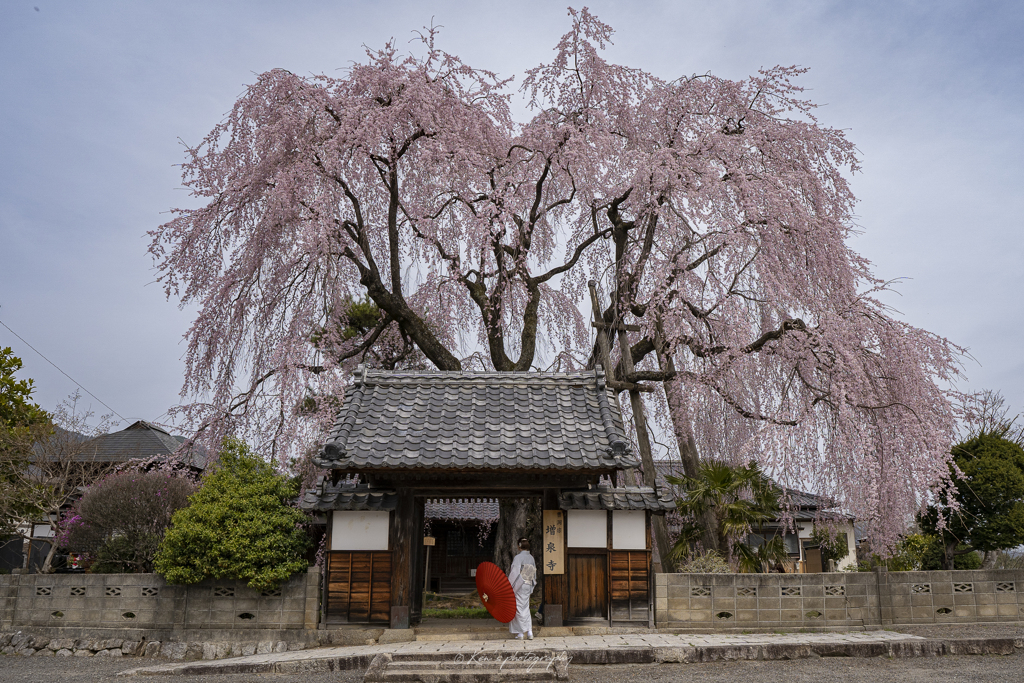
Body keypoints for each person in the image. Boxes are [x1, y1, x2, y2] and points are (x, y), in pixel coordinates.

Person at [507, 537, 537, 640]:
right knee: (526, 607)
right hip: (528, 583)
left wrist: (509, 586)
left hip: (519, 584)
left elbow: (514, 573)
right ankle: (529, 632)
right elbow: (533, 573)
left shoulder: (518, 558)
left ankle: (520, 633)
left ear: (519, 546)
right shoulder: (531, 558)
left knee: (518, 608)